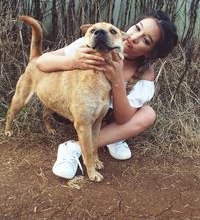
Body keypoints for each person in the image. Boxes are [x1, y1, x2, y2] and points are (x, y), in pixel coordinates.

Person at [36, 10, 178, 179]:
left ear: (149, 53)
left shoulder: (146, 74)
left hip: (109, 119)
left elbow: (123, 119)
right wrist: (73, 61)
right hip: (78, 110)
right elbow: (41, 62)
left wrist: (117, 80)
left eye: (145, 40)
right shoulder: (90, 43)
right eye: (137, 28)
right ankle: (90, 143)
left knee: (148, 114)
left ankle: (85, 144)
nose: (134, 37)